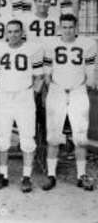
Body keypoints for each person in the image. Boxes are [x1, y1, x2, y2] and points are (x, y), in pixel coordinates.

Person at [42, 14, 96, 191]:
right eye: (64, 27)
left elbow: (90, 73)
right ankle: (51, 175)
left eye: (70, 27)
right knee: (53, 136)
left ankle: (81, 175)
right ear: (59, 28)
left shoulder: (87, 45)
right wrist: (55, 87)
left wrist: (80, 88)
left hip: (77, 91)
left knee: (80, 136)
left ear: (76, 28)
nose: (67, 30)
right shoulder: (51, 45)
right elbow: (47, 73)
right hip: (57, 91)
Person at [0, 20, 44, 193]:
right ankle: (3, 175)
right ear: (5, 33)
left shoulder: (33, 49)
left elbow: (39, 77)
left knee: (27, 139)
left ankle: (26, 177)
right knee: (3, 138)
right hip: (4, 97)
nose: (13, 35)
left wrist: (32, 95)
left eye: (16, 31)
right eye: (10, 31)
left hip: (24, 96)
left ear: (22, 32)